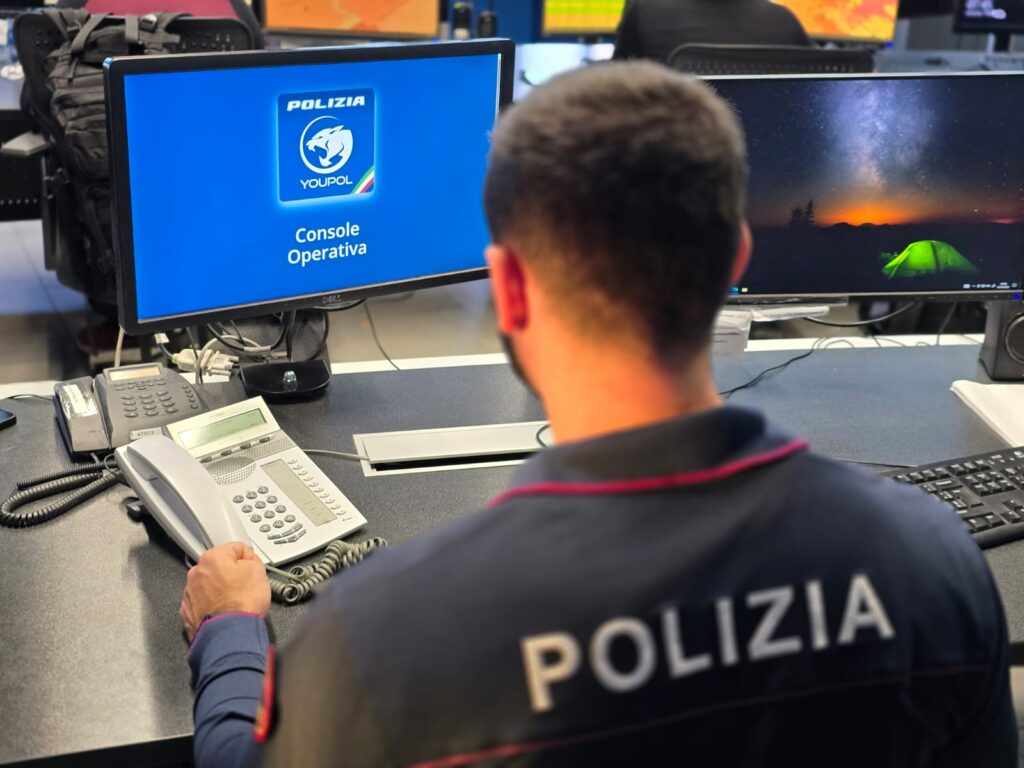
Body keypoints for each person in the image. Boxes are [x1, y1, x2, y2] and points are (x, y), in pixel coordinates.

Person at [181, 62, 1016, 766]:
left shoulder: (382, 636)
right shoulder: (928, 560)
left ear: (511, 289)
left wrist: (229, 631)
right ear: (736, 258)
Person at [613, 0, 811, 63]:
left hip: (675, 145)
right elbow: (817, 88)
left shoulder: (645, 10)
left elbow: (613, 87)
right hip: (767, 144)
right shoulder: (783, 20)